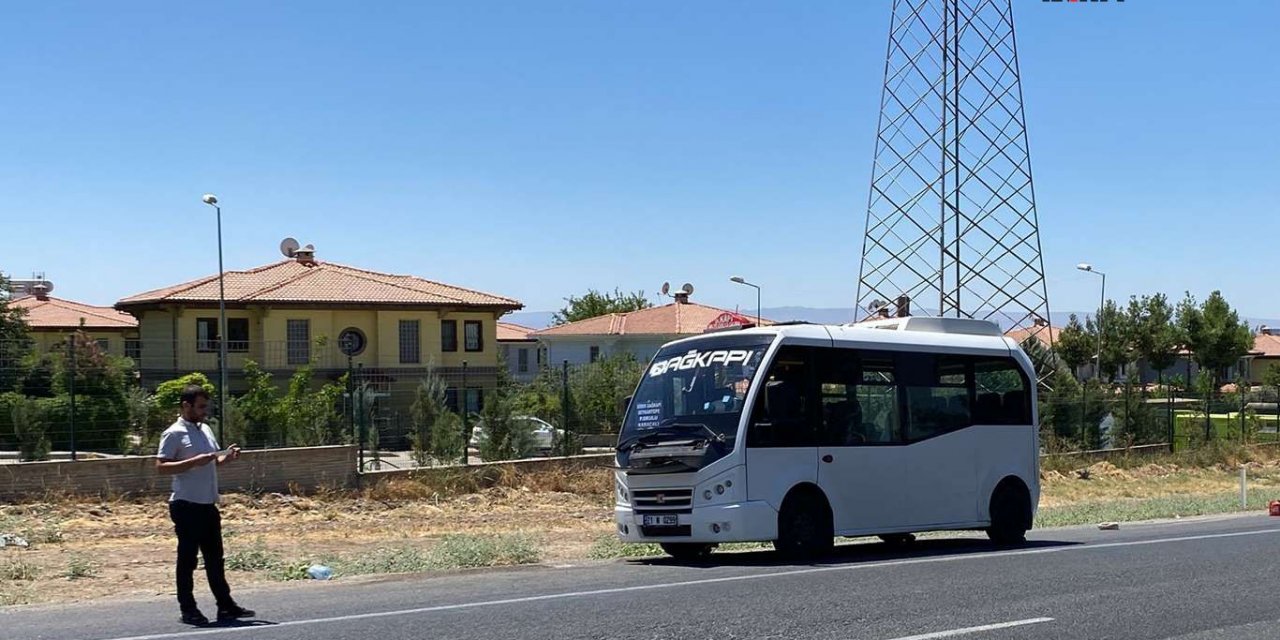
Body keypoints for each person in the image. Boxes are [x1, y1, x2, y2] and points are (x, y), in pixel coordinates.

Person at [155, 385, 254, 626]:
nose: (204, 411)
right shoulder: (174, 433)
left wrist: (225, 458)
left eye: (205, 406)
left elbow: (212, 462)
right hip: (186, 505)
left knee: (215, 558)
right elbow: (161, 466)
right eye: (200, 407)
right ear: (186, 406)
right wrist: (192, 462)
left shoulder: (206, 429)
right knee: (187, 560)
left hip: (208, 504)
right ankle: (188, 609)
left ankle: (225, 606)